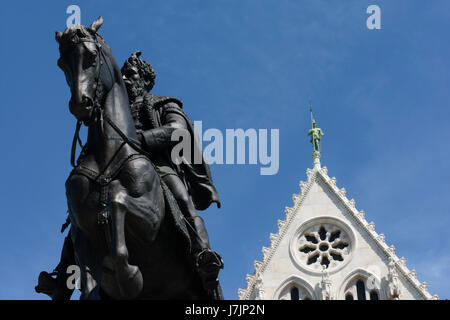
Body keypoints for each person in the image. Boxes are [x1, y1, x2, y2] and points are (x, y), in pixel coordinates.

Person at [121, 51, 223, 289]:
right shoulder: (114, 111)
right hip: (118, 165)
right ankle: (64, 273)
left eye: (131, 74)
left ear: (144, 81)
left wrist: (143, 139)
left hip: (158, 165)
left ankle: (204, 255)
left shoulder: (164, 104)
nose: (125, 78)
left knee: (182, 199)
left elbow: (177, 130)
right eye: (123, 74)